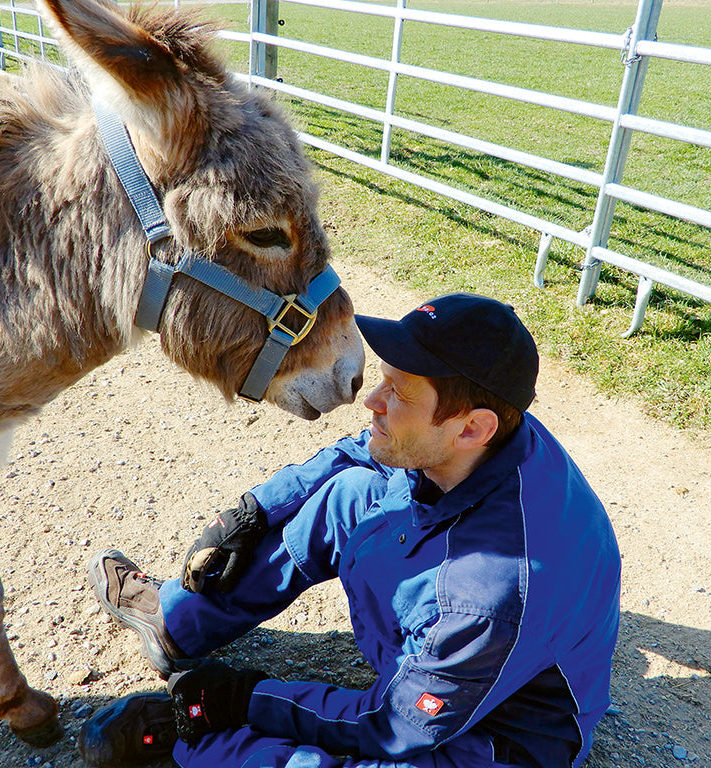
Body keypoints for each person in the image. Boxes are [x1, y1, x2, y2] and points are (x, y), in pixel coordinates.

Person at [79, 293, 621, 768]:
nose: (372, 401)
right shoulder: (487, 430)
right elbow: (361, 450)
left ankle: (197, 735)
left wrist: (242, 699)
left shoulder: (487, 595)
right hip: (449, 646)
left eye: (400, 394)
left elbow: (395, 727)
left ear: (471, 427)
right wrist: (254, 511)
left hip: (494, 737)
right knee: (350, 496)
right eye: (385, 378)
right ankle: (176, 622)